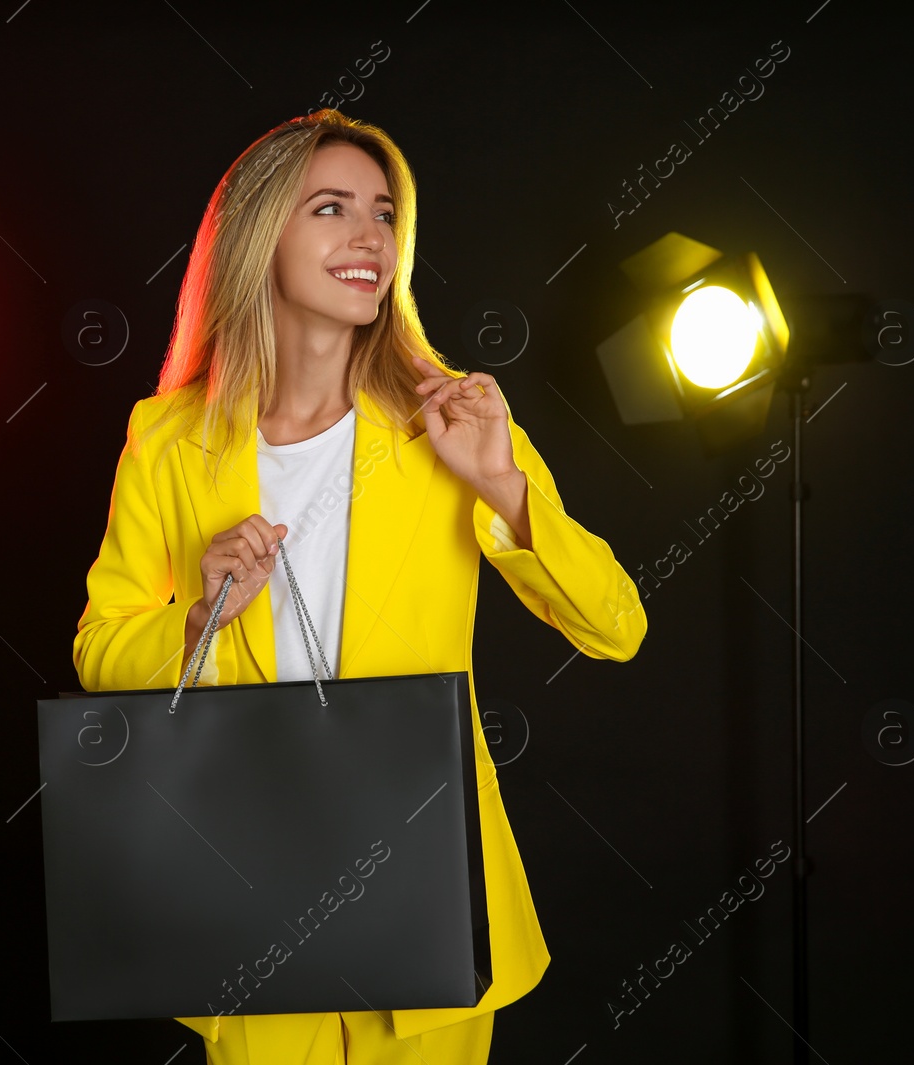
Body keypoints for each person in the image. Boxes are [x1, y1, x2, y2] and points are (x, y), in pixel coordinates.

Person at [73, 108, 647, 1064]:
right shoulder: (168, 440)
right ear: (260, 235)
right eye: (331, 207)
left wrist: (502, 484)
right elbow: (101, 650)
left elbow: (615, 625)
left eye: (383, 214)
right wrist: (197, 618)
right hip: (244, 865)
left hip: (423, 874)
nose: (368, 237)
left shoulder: (448, 421)